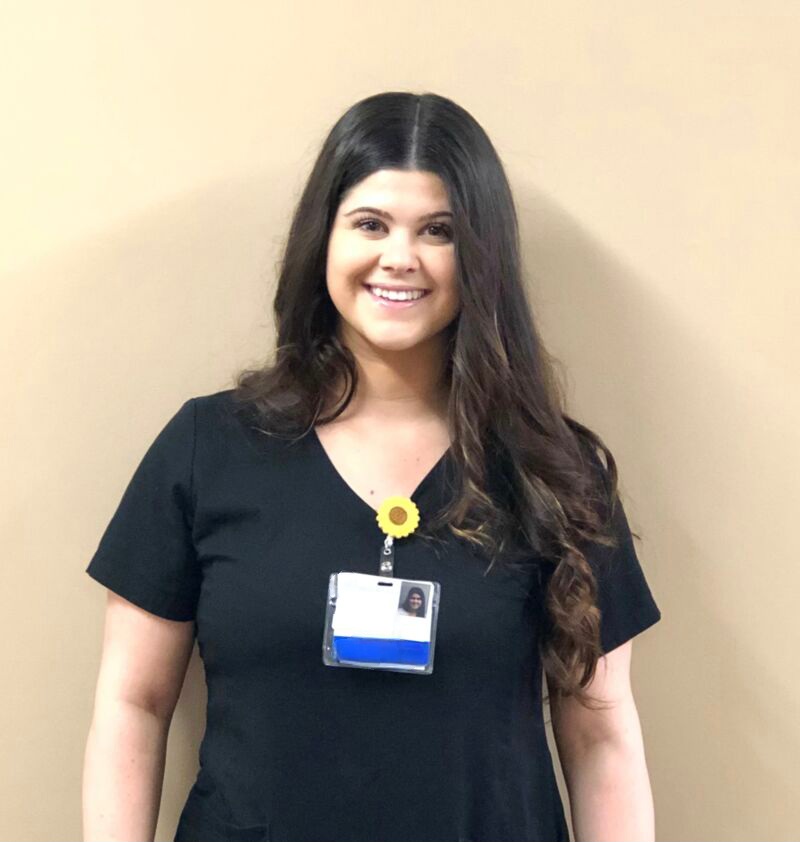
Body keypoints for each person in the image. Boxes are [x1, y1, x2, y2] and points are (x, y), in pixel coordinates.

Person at [83, 91, 661, 842]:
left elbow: (602, 736)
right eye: (370, 223)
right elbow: (133, 703)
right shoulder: (208, 447)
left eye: (439, 231)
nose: (400, 257)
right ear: (323, 238)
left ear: (481, 256)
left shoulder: (553, 470)